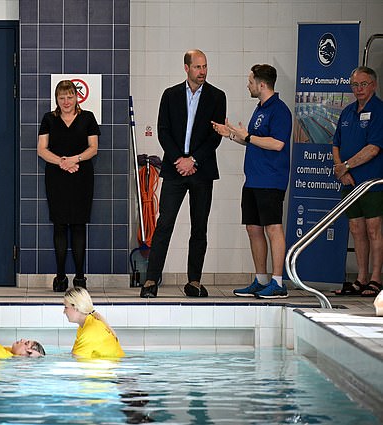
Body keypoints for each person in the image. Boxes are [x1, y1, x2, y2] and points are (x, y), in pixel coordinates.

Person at [140, 49, 227, 298]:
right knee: (164, 224)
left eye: (205, 66)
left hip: (202, 170)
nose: (203, 71)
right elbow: (163, 130)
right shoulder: (170, 95)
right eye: (198, 67)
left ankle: (194, 281)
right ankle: (151, 281)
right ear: (186, 68)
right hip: (175, 169)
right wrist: (180, 160)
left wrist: (194, 160)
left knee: (199, 227)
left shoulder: (217, 96)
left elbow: (215, 136)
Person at [213, 64, 292, 299]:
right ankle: (261, 279)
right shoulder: (260, 109)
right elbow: (254, 141)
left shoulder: (279, 111)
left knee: (273, 228)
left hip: (271, 179)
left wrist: (246, 135)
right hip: (253, 180)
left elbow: (277, 143)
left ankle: (278, 282)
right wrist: (232, 134)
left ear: (261, 84)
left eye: (250, 82)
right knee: (253, 228)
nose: (248, 85)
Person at [38, 80, 100, 292]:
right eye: (62, 97)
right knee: (60, 225)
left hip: (81, 177)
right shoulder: (49, 119)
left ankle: (80, 278)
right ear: (56, 99)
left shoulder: (88, 118)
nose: (66, 101)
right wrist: (63, 163)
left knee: (79, 224)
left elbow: (93, 148)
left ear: (77, 97)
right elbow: (42, 149)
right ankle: (61, 276)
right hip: (57, 177)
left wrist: (75, 159)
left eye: (70, 97)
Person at [331, 66, 383, 297]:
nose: (359, 89)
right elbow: (336, 144)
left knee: (374, 230)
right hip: (349, 182)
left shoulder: (379, 111)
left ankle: (375, 279)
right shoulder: (348, 112)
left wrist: (347, 166)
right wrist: (341, 170)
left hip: (372, 182)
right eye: (355, 85)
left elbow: (373, 148)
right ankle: (361, 278)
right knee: (356, 229)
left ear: (373, 85)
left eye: (363, 84)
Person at [63, 287, 124, 358]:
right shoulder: (86, 325)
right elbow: (73, 354)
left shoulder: (90, 331)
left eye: (66, 307)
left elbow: (76, 362)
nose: (64, 312)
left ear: (76, 308)